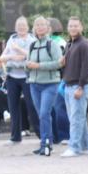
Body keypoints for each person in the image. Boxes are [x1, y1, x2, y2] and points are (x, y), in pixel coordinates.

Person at [25, 17, 63, 156]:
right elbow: (28, 64)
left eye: (42, 25)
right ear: (34, 28)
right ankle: (44, 144)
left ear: (48, 28)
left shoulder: (52, 44)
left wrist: (38, 66)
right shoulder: (32, 45)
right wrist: (27, 66)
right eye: (37, 25)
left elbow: (59, 63)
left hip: (50, 84)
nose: (40, 27)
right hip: (34, 85)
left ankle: (46, 143)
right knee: (41, 115)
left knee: (44, 113)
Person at [60, 16, 88, 157]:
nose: (73, 28)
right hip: (67, 85)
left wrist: (81, 86)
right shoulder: (69, 44)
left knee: (76, 118)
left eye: (76, 26)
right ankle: (86, 146)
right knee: (78, 118)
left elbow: (86, 68)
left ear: (81, 27)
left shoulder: (84, 45)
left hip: (78, 86)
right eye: (71, 26)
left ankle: (74, 147)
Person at [0, 16, 34, 145]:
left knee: (32, 106)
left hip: (27, 77)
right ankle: (15, 137)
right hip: (12, 77)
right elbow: (2, 57)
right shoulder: (12, 39)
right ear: (15, 28)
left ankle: (43, 135)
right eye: (19, 26)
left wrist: (19, 50)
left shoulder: (32, 39)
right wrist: (13, 56)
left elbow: (31, 55)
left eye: (23, 25)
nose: (21, 28)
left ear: (28, 27)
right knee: (13, 107)